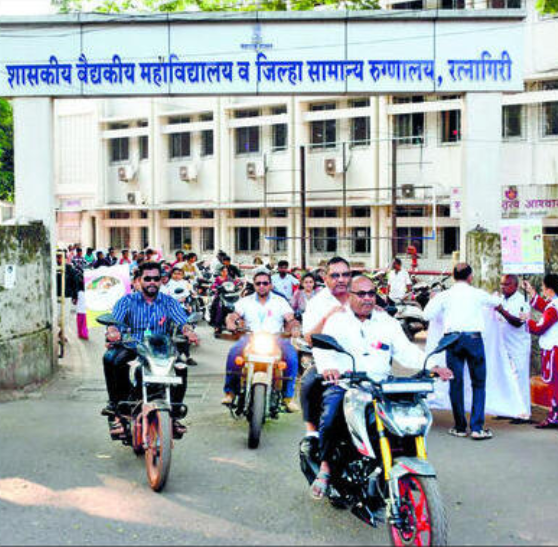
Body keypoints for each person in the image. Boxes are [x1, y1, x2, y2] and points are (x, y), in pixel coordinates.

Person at [310, 275, 453, 498]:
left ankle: (405, 467)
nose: (367, 298)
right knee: (329, 418)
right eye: (361, 294)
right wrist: (329, 368)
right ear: (349, 295)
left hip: (381, 385)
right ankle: (326, 466)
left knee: (406, 417)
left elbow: (406, 351)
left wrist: (432, 365)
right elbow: (323, 349)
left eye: (371, 293)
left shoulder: (387, 322)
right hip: (346, 384)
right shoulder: (337, 321)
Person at [103, 262, 199, 437]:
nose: (152, 282)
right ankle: (118, 410)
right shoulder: (127, 301)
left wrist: (189, 331)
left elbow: (183, 322)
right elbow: (114, 323)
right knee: (112, 359)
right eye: (147, 279)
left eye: (156, 278)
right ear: (139, 280)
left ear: (161, 281)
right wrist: (112, 332)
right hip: (133, 347)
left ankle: (174, 415)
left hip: (162, 351)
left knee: (181, 367)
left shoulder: (169, 302)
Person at [424, 262, 501, 440]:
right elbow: (497, 302)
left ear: (453, 277)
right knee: (478, 383)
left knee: (455, 383)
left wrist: (433, 299)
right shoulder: (477, 293)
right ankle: (477, 428)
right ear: (470, 277)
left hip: (453, 340)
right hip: (474, 340)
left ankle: (459, 427)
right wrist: (496, 296)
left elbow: (427, 315)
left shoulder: (445, 295)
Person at [221, 269, 301, 413]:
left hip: (276, 337)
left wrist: (295, 327)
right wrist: (230, 322)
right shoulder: (246, 301)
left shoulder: (280, 301)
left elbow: (290, 319)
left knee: (292, 356)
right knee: (234, 352)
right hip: (250, 337)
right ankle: (230, 392)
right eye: (258, 283)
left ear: (270, 285)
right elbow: (233, 315)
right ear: (254, 285)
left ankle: (288, 397)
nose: (262, 286)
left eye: (265, 283)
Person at [299, 257, 352, 452]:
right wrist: (327, 317)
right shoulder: (317, 303)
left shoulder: (360, 296)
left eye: (345, 275)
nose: (341, 279)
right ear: (325, 278)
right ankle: (312, 434)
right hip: (329, 361)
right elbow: (309, 338)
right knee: (309, 381)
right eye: (335, 275)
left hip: (361, 364)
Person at [522, 275, 558, 428]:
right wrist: (531, 292)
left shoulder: (553, 307)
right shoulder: (553, 304)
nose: (542, 289)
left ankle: (554, 417)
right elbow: (545, 307)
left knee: (553, 383)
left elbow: (539, 328)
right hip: (554, 348)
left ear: (549, 289)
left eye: (543, 287)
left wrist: (527, 320)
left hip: (553, 350)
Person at [495, 274, 532, 423]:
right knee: (505, 377)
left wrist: (501, 310)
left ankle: (523, 413)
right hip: (504, 344)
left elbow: (518, 322)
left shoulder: (522, 301)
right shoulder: (501, 300)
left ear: (516, 286)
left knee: (520, 379)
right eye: (502, 284)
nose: (503, 287)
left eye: (507, 284)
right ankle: (508, 409)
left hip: (518, 345)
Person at [209, 266, 241, 336]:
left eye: (226, 271)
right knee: (219, 310)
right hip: (220, 296)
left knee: (234, 310)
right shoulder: (218, 278)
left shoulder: (229, 278)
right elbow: (214, 285)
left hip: (229, 297)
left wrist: (238, 284)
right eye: (223, 271)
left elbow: (234, 284)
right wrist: (215, 288)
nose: (225, 272)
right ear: (221, 272)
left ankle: (233, 325)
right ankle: (217, 327)